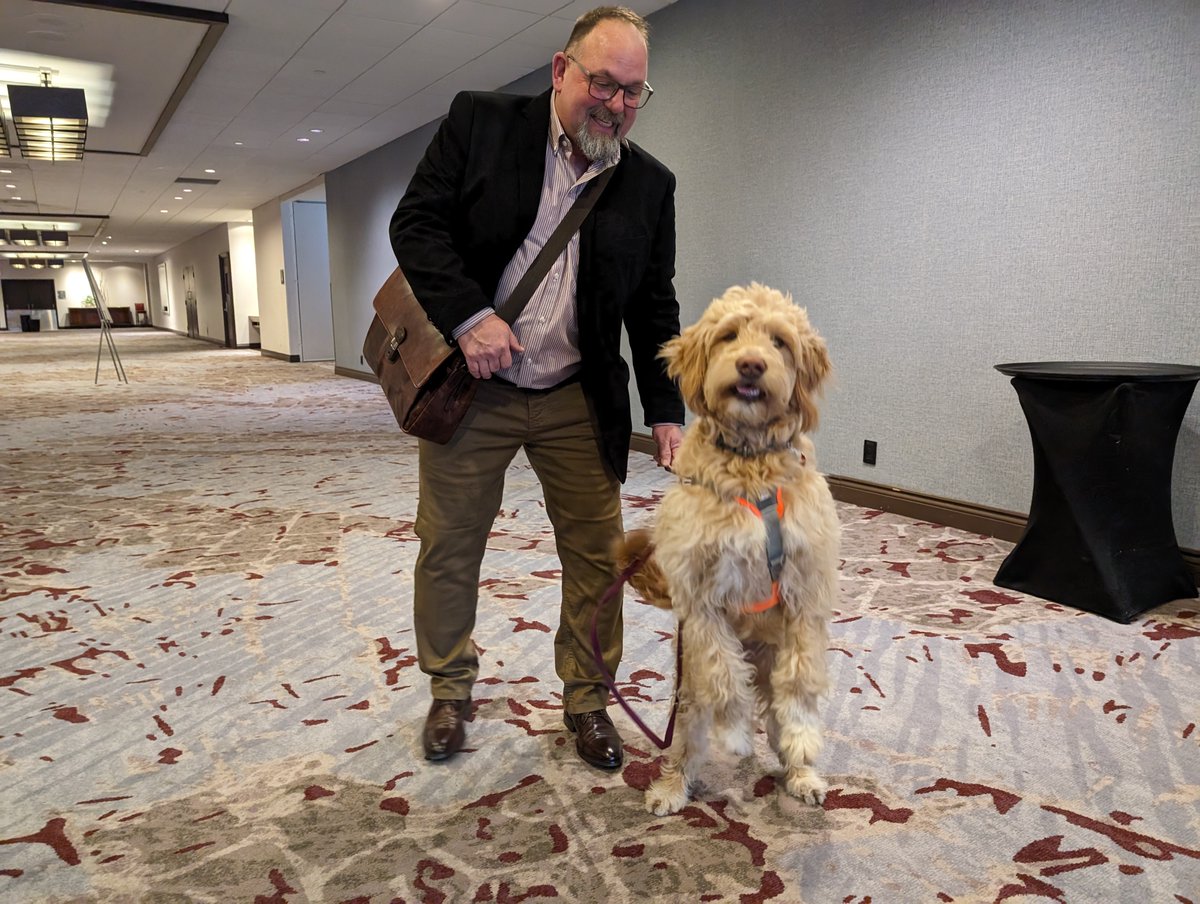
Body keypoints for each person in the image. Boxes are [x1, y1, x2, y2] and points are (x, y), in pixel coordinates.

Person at [389, 5, 684, 770]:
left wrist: (667, 413)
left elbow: (656, 305)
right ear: (562, 71)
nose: (616, 105)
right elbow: (416, 224)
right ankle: (450, 689)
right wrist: (470, 316)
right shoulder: (481, 123)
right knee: (449, 546)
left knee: (598, 555)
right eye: (603, 84)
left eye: (633, 93)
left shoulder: (650, 185)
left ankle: (588, 700)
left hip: (575, 398)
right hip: (474, 387)